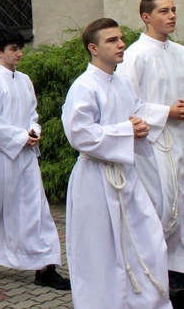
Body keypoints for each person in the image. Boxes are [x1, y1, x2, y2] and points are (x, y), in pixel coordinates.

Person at [62, 18, 170, 309]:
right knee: (100, 251)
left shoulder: (122, 82)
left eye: (121, 38)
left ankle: (147, 301)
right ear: (93, 48)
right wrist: (126, 131)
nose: (121, 44)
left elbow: (135, 114)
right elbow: (79, 134)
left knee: (148, 240)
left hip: (126, 175)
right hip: (96, 179)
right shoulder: (83, 88)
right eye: (112, 40)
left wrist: (140, 126)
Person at [0, 29, 69, 290]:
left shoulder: (24, 80)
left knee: (37, 210)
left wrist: (34, 131)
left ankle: (45, 266)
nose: (19, 53)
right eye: (13, 49)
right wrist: (21, 136)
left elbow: (32, 112)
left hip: (25, 158)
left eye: (20, 48)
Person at [116, 0, 184, 291]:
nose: (171, 16)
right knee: (160, 204)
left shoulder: (180, 52)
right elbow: (126, 101)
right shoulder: (135, 54)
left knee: (181, 202)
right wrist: (165, 112)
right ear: (146, 17)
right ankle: (152, 266)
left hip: (180, 137)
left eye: (173, 10)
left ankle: (177, 266)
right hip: (153, 142)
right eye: (164, 11)